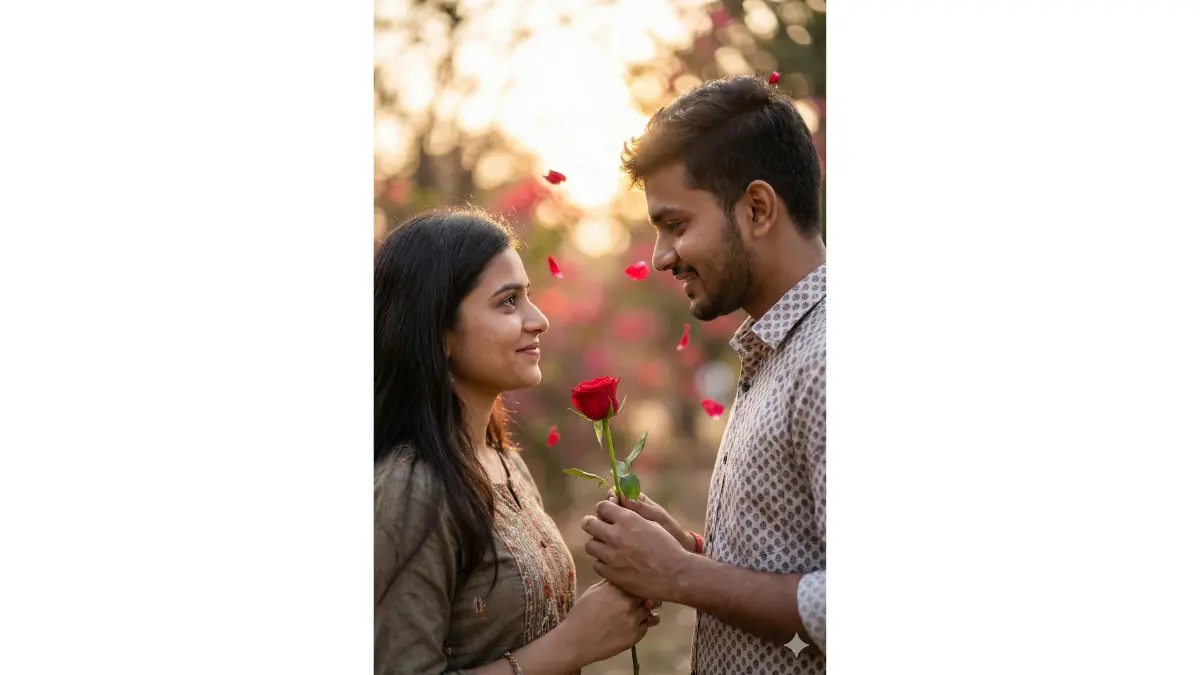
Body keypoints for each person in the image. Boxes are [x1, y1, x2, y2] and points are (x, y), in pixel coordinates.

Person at [581, 75, 827, 674]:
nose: (661, 255)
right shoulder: (777, 350)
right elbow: (797, 566)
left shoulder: (828, 356)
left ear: (758, 209)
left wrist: (681, 574)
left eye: (676, 225)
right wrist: (689, 550)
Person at [375, 208, 659, 675]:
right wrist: (573, 643)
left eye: (529, 296)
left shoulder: (504, 461)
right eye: (508, 302)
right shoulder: (411, 489)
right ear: (439, 332)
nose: (539, 319)